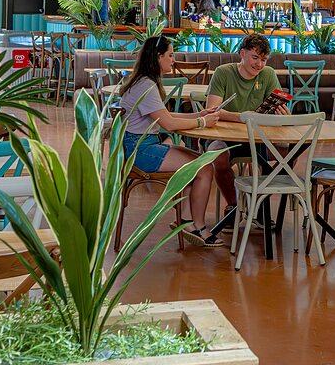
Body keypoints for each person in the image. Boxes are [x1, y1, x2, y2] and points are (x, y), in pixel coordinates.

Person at [117, 36, 223, 245]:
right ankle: (197, 226)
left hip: (140, 144)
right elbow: (170, 125)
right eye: (171, 55)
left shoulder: (142, 82)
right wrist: (202, 122)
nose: (173, 59)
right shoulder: (146, 86)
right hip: (139, 150)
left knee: (201, 162)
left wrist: (199, 115)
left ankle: (186, 221)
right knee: (205, 167)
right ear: (158, 57)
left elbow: (166, 117)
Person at [189, 33, 288, 243]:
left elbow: (274, 109)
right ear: (242, 54)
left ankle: (258, 205)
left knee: (287, 152)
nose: (259, 64)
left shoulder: (268, 75)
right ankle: (234, 205)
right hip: (222, 137)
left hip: (256, 139)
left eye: (263, 59)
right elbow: (212, 111)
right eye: (254, 58)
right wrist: (244, 117)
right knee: (218, 156)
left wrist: (281, 114)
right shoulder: (223, 73)